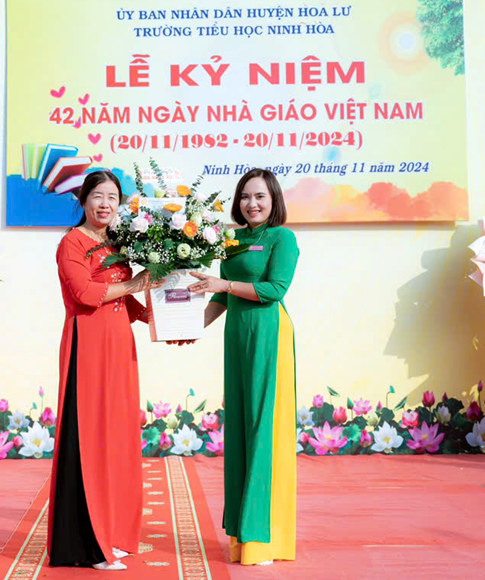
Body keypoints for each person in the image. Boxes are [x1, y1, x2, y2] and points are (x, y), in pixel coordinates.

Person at [185, 168, 300, 566]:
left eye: (260, 197)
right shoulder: (232, 240)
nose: (252, 203)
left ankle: (262, 538)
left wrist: (224, 285)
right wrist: (190, 328)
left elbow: (274, 289)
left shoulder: (282, 238)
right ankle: (240, 534)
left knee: (262, 428)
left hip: (268, 336)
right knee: (239, 428)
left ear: (274, 200)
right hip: (236, 336)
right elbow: (221, 297)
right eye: (246, 197)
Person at [48, 170, 158, 571]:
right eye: (98, 196)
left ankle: (113, 533)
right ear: (83, 200)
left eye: (112, 197)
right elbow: (85, 293)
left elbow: (126, 303)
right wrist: (134, 286)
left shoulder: (118, 243)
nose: (105, 204)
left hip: (119, 347)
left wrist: (163, 321)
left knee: (118, 437)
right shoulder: (71, 242)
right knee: (90, 439)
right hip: (88, 348)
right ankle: (89, 544)